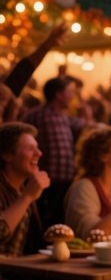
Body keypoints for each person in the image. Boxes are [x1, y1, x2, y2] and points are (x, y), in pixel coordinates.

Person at [23, 76, 90, 229]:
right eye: (69, 92)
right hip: (46, 180)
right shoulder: (37, 114)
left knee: (60, 221)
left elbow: (85, 124)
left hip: (66, 178)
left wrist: (86, 113)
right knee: (47, 223)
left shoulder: (64, 116)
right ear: (58, 94)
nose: (71, 96)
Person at [0, 122, 50, 255]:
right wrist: (27, 197)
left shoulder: (25, 188)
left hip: (20, 271)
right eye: (30, 148)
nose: (39, 153)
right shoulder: (26, 193)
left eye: (37, 148)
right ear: (7, 155)